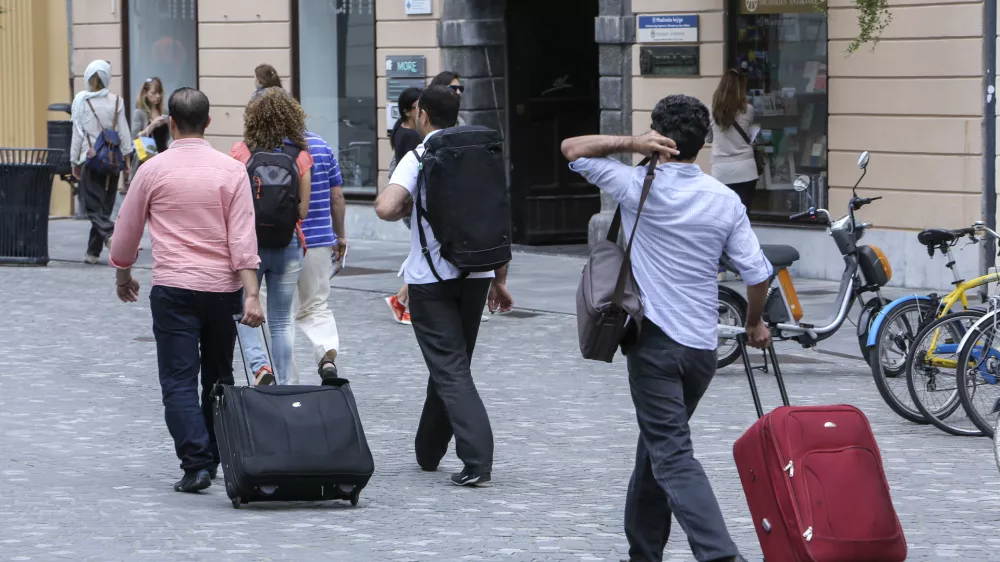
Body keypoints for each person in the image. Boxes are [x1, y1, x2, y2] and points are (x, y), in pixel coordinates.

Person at [561, 94, 772, 562]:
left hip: (655, 345)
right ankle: (643, 551)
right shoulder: (724, 199)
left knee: (672, 454)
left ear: (657, 135)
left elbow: (572, 148)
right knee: (656, 446)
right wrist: (754, 322)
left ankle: (720, 554)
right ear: (705, 141)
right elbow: (758, 275)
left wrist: (632, 143)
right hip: (701, 350)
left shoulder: (635, 184)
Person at [109, 87, 265, 494]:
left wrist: (123, 275)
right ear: (208, 122)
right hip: (222, 290)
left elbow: (126, 232)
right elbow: (242, 239)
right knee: (219, 374)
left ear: (171, 122)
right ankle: (213, 454)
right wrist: (251, 294)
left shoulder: (152, 171)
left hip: (173, 288)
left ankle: (195, 464)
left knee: (178, 380)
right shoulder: (231, 170)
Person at [374, 86, 514, 487]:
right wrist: (499, 280)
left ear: (422, 115)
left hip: (430, 279)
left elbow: (385, 207)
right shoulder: (480, 152)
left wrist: (406, 202)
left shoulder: (420, 155)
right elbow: (495, 216)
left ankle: (477, 459)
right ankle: (428, 449)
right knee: (451, 364)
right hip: (477, 275)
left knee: (450, 368)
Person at [230, 88, 313, 386]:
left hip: (250, 246)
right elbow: (302, 211)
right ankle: (284, 383)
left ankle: (260, 367)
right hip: (287, 244)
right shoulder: (300, 156)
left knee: (246, 311)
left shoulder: (241, 152)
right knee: (280, 320)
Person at [71, 59, 133, 264]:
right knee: (104, 208)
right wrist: (127, 158)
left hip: (90, 160)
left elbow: (78, 134)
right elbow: (124, 132)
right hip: (112, 162)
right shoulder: (116, 101)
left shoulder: (82, 101)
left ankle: (110, 234)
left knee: (92, 208)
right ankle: (93, 253)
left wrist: (74, 161)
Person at [384, 86, 423, 325]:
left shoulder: (402, 130)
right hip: (414, 201)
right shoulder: (410, 136)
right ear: (408, 111)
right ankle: (403, 301)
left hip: (411, 200)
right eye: (419, 107)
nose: (423, 111)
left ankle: (400, 300)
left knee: (422, 253)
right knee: (422, 254)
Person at [708, 69, 759, 211]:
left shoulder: (710, 111)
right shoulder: (748, 110)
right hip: (746, 169)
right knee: (743, 212)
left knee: (723, 212)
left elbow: (709, 138)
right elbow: (747, 132)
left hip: (721, 170)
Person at [128, 77, 171, 190]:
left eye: (160, 92)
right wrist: (152, 126)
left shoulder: (164, 112)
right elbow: (135, 138)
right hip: (145, 160)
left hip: (162, 160)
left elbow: (167, 138)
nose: (158, 96)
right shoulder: (139, 113)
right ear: (145, 93)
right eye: (154, 92)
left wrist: (169, 123)